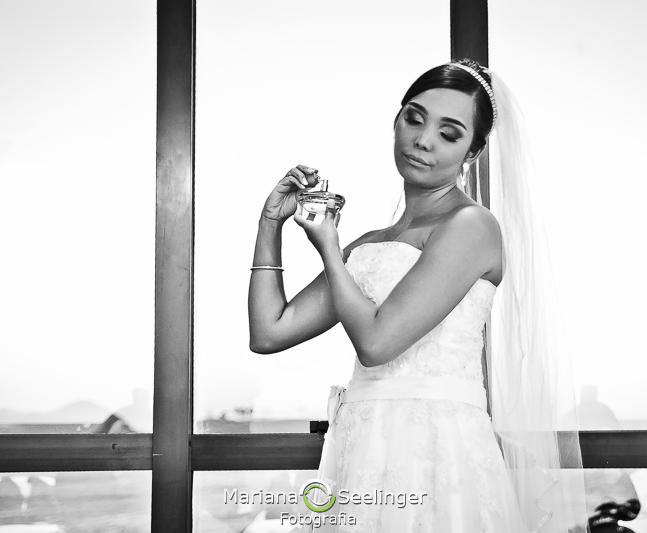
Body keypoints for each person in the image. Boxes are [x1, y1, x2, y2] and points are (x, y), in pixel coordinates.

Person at [248, 59, 587, 532]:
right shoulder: (369, 244)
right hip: (362, 450)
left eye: (449, 133)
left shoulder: (472, 227)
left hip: (438, 453)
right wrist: (271, 223)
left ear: (473, 151)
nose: (424, 140)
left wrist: (328, 249)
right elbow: (269, 331)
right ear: (396, 121)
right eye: (414, 118)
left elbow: (378, 344)